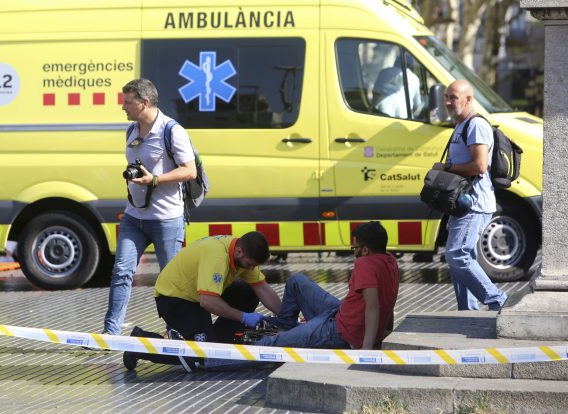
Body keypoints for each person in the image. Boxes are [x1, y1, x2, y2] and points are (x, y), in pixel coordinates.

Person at [102, 78, 197, 336]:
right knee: (121, 271)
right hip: (134, 216)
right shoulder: (132, 130)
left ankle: (175, 332)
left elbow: (190, 171)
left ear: (144, 103)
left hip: (166, 219)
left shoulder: (172, 130)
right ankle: (110, 334)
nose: (123, 108)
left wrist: (154, 179)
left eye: (128, 102)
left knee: (170, 280)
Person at [123, 231, 282, 371]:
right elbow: (208, 302)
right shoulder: (217, 256)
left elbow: (263, 289)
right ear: (239, 251)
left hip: (196, 295)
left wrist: (285, 318)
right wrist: (243, 317)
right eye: (249, 265)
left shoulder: (241, 251)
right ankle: (139, 343)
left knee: (249, 292)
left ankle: (216, 340)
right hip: (174, 299)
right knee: (204, 357)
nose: (251, 269)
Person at [254, 221, 399, 350]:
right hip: (339, 313)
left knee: (271, 344)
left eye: (354, 248)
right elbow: (389, 300)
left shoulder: (365, 263)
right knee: (296, 281)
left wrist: (367, 348)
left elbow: (373, 306)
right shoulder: (390, 260)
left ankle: (232, 358)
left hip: (339, 332)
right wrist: (386, 333)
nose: (354, 252)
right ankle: (286, 328)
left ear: (365, 250)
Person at [431, 79, 508, 311]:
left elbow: (480, 166)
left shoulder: (476, 125)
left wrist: (445, 169)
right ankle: (467, 312)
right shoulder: (460, 125)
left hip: (473, 204)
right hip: (461, 204)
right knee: (461, 261)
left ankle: (499, 301)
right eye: (446, 96)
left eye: (453, 97)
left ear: (468, 99)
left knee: (457, 255)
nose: (447, 102)